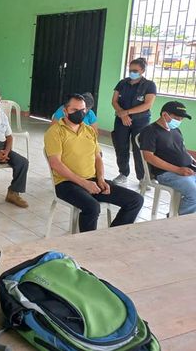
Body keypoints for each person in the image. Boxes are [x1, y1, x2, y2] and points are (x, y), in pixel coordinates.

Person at [45, 94, 144, 232]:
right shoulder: (55, 132)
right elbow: (55, 163)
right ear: (65, 111)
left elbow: (98, 158)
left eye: (82, 110)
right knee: (92, 207)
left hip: (93, 180)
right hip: (66, 183)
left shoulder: (89, 130)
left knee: (135, 200)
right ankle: (87, 242)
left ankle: (112, 236)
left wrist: (101, 179)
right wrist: (84, 183)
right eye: (74, 110)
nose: (80, 113)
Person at [139, 101, 196, 215]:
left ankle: (181, 215)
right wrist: (178, 170)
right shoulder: (150, 131)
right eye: (177, 118)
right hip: (167, 173)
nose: (179, 121)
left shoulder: (176, 130)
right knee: (194, 194)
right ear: (165, 115)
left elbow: (181, 150)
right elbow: (148, 156)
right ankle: (178, 218)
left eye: (181, 119)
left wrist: (192, 160)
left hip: (187, 169)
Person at [111, 57, 157, 187]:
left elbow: (147, 105)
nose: (132, 72)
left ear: (142, 71)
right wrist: (122, 113)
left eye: (135, 70)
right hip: (121, 120)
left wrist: (126, 113)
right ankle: (123, 173)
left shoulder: (149, 85)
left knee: (139, 148)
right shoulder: (122, 83)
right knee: (121, 146)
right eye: (130, 70)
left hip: (140, 121)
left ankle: (143, 177)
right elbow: (114, 101)